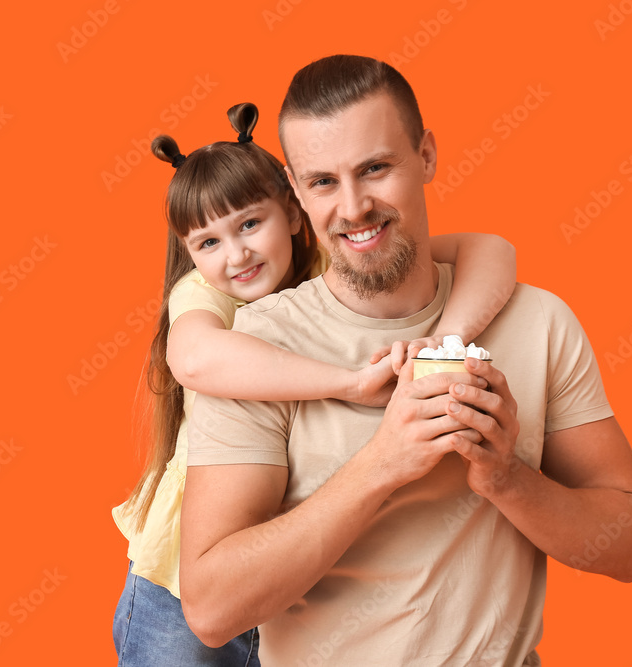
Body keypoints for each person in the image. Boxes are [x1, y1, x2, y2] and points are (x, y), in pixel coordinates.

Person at [178, 55, 632, 666]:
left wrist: (507, 478)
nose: (353, 208)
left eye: (375, 168)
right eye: (323, 181)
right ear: (296, 192)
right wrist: (382, 463)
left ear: (426, 156)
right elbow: (212, 610)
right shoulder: (258, 351)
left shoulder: (538, 322)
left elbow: (631, 545)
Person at [111, 101, 518, 666]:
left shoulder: (332, 273)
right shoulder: (204, 298)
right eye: (208, 243)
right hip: (176, 587)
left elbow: (492, 251)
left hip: (285, 573)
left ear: (296, 212)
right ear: (188, 255)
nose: (237, 255)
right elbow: (195, 359)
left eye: (251, 224)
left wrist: (444, 341)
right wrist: (348, 384)